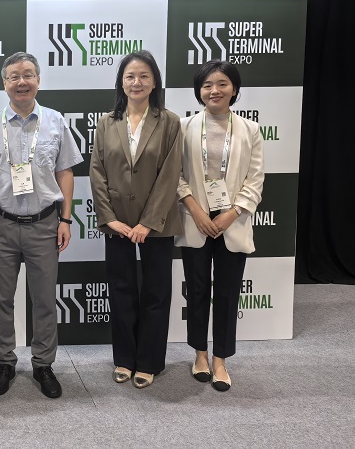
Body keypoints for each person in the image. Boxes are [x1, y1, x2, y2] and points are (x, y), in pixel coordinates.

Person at [0, 52, 82, 399]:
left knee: (45, 300)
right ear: (4, 83)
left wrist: (66, 219)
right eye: (14, 76)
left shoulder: (55, 121)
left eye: (29, 75)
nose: (22, 82)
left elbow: (65, 172)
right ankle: (4, 362)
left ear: (38, 80)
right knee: (1, 299)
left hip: (44, 224)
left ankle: (43, 365)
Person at [88, 50, 182, 389]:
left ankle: (149, 361)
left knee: (156, 293)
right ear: (121, 82)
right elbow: (97, 172)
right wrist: (108, 218)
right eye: (130, 76)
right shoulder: (106, 122)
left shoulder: (169, 121)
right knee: (121, 291)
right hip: (117, 224)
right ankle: (124, 359)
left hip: (157, 224)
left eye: (144, 76)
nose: (137, 82)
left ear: (154, 82)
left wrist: (149, 222)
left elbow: (170, 175)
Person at [176, 60, 264, 392]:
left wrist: (231, 213)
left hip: (233, 223)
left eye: (222, 83)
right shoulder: (183, 127)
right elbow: (175, 176)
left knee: (227, 294)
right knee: (197, 291)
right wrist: (196, 210)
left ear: (234, 89)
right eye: (207, 85)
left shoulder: (250, 130)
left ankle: (220, 360)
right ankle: (200, 354)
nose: (215, 90)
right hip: (195, 221)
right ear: (199, 91)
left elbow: (255, 181)